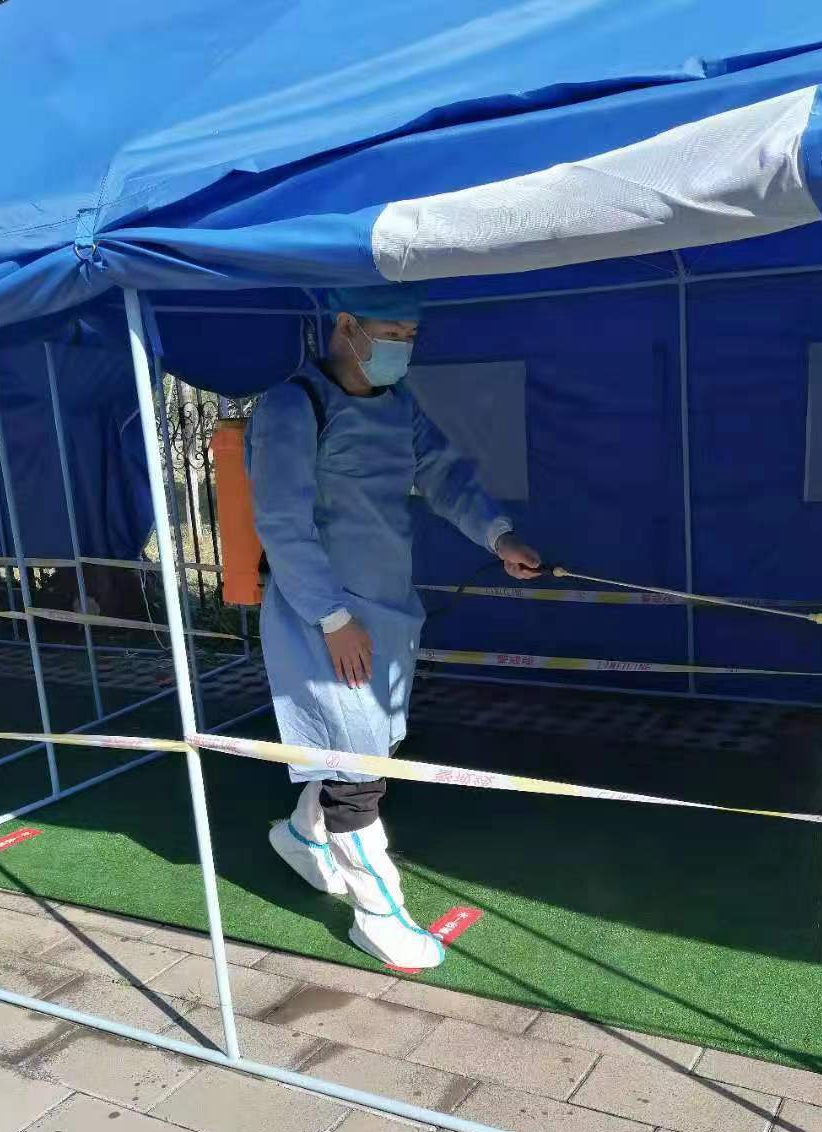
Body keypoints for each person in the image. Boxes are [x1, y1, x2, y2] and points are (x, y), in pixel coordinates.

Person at [246, 284, 541, 969]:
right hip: (321, 616)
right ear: (346, 325)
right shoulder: (293, 406)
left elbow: (446, 477)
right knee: (357, 774)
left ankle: (300, 836)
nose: (402, 348)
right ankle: (378, 916)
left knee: (368, 746)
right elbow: (282, 524)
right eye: (391, 333)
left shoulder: (399, 404)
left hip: (387, 609)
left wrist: (499, 536)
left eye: (410, 336)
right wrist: (332, 617)